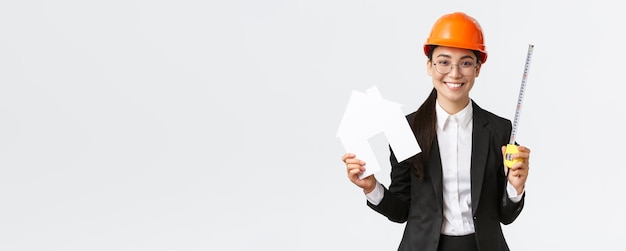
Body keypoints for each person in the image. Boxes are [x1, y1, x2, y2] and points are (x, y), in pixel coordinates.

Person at [342, 12, 531, 251]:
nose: (454, 73)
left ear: (477, 68)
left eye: (465, 63)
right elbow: (401, 210)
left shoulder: (498, 129)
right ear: (429, 65)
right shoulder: (406, 130)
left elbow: (504, 215)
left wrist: (515, 188)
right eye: (443, 62)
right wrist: (371, 187)